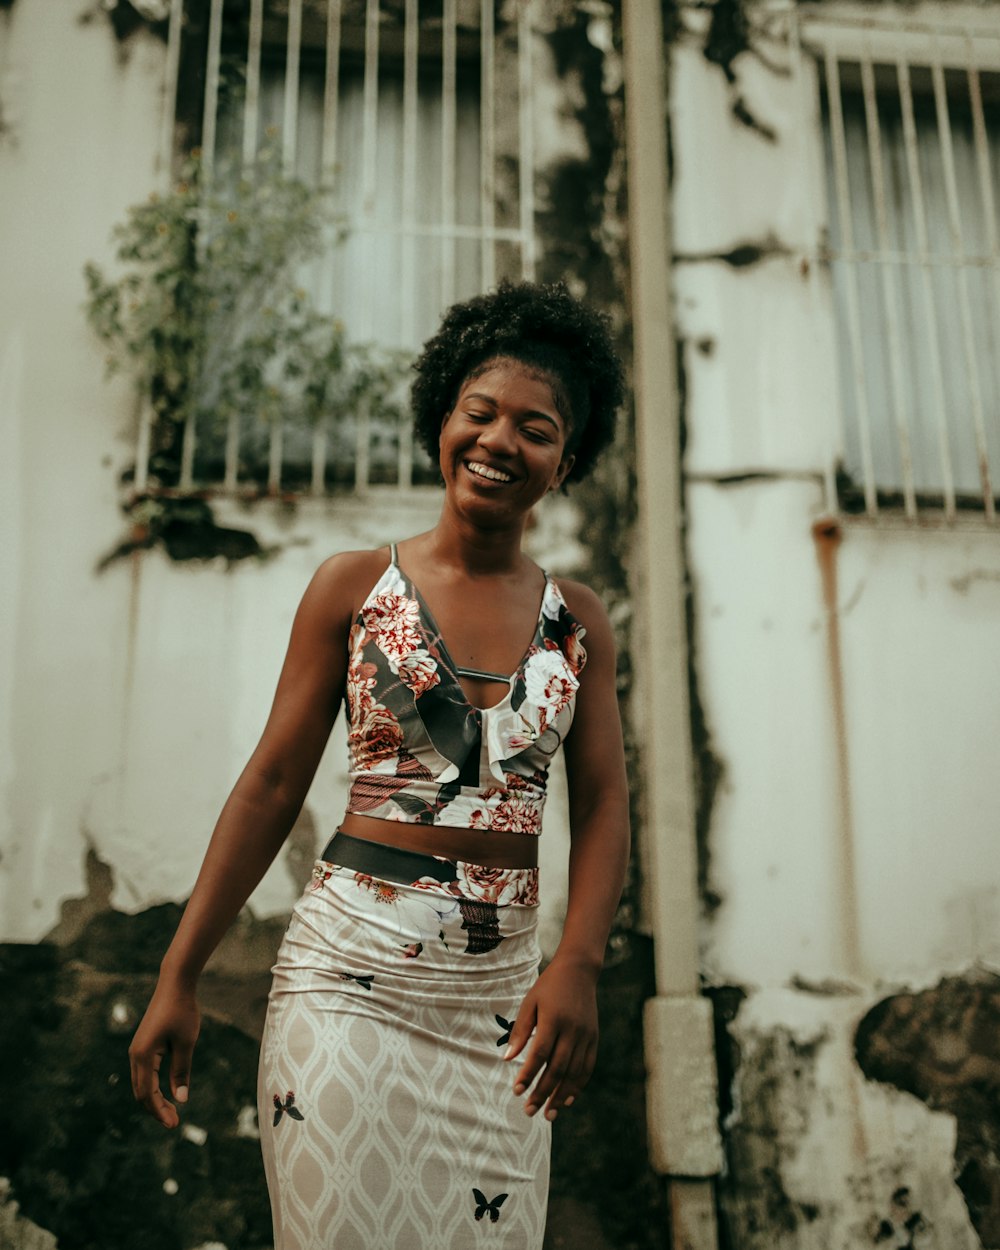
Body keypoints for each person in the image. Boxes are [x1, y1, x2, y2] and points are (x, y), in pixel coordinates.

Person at [129, 279, 631, 1250]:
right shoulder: (354, 587)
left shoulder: (580, 623)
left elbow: (606, 803)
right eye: (477, 412)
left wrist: (577, 961)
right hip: (342, 991)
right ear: (440, 418)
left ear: (565, 460)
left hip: (500, 1019)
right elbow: (270, 785)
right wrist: (177, 972)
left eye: (534, 428)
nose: (497, 440)